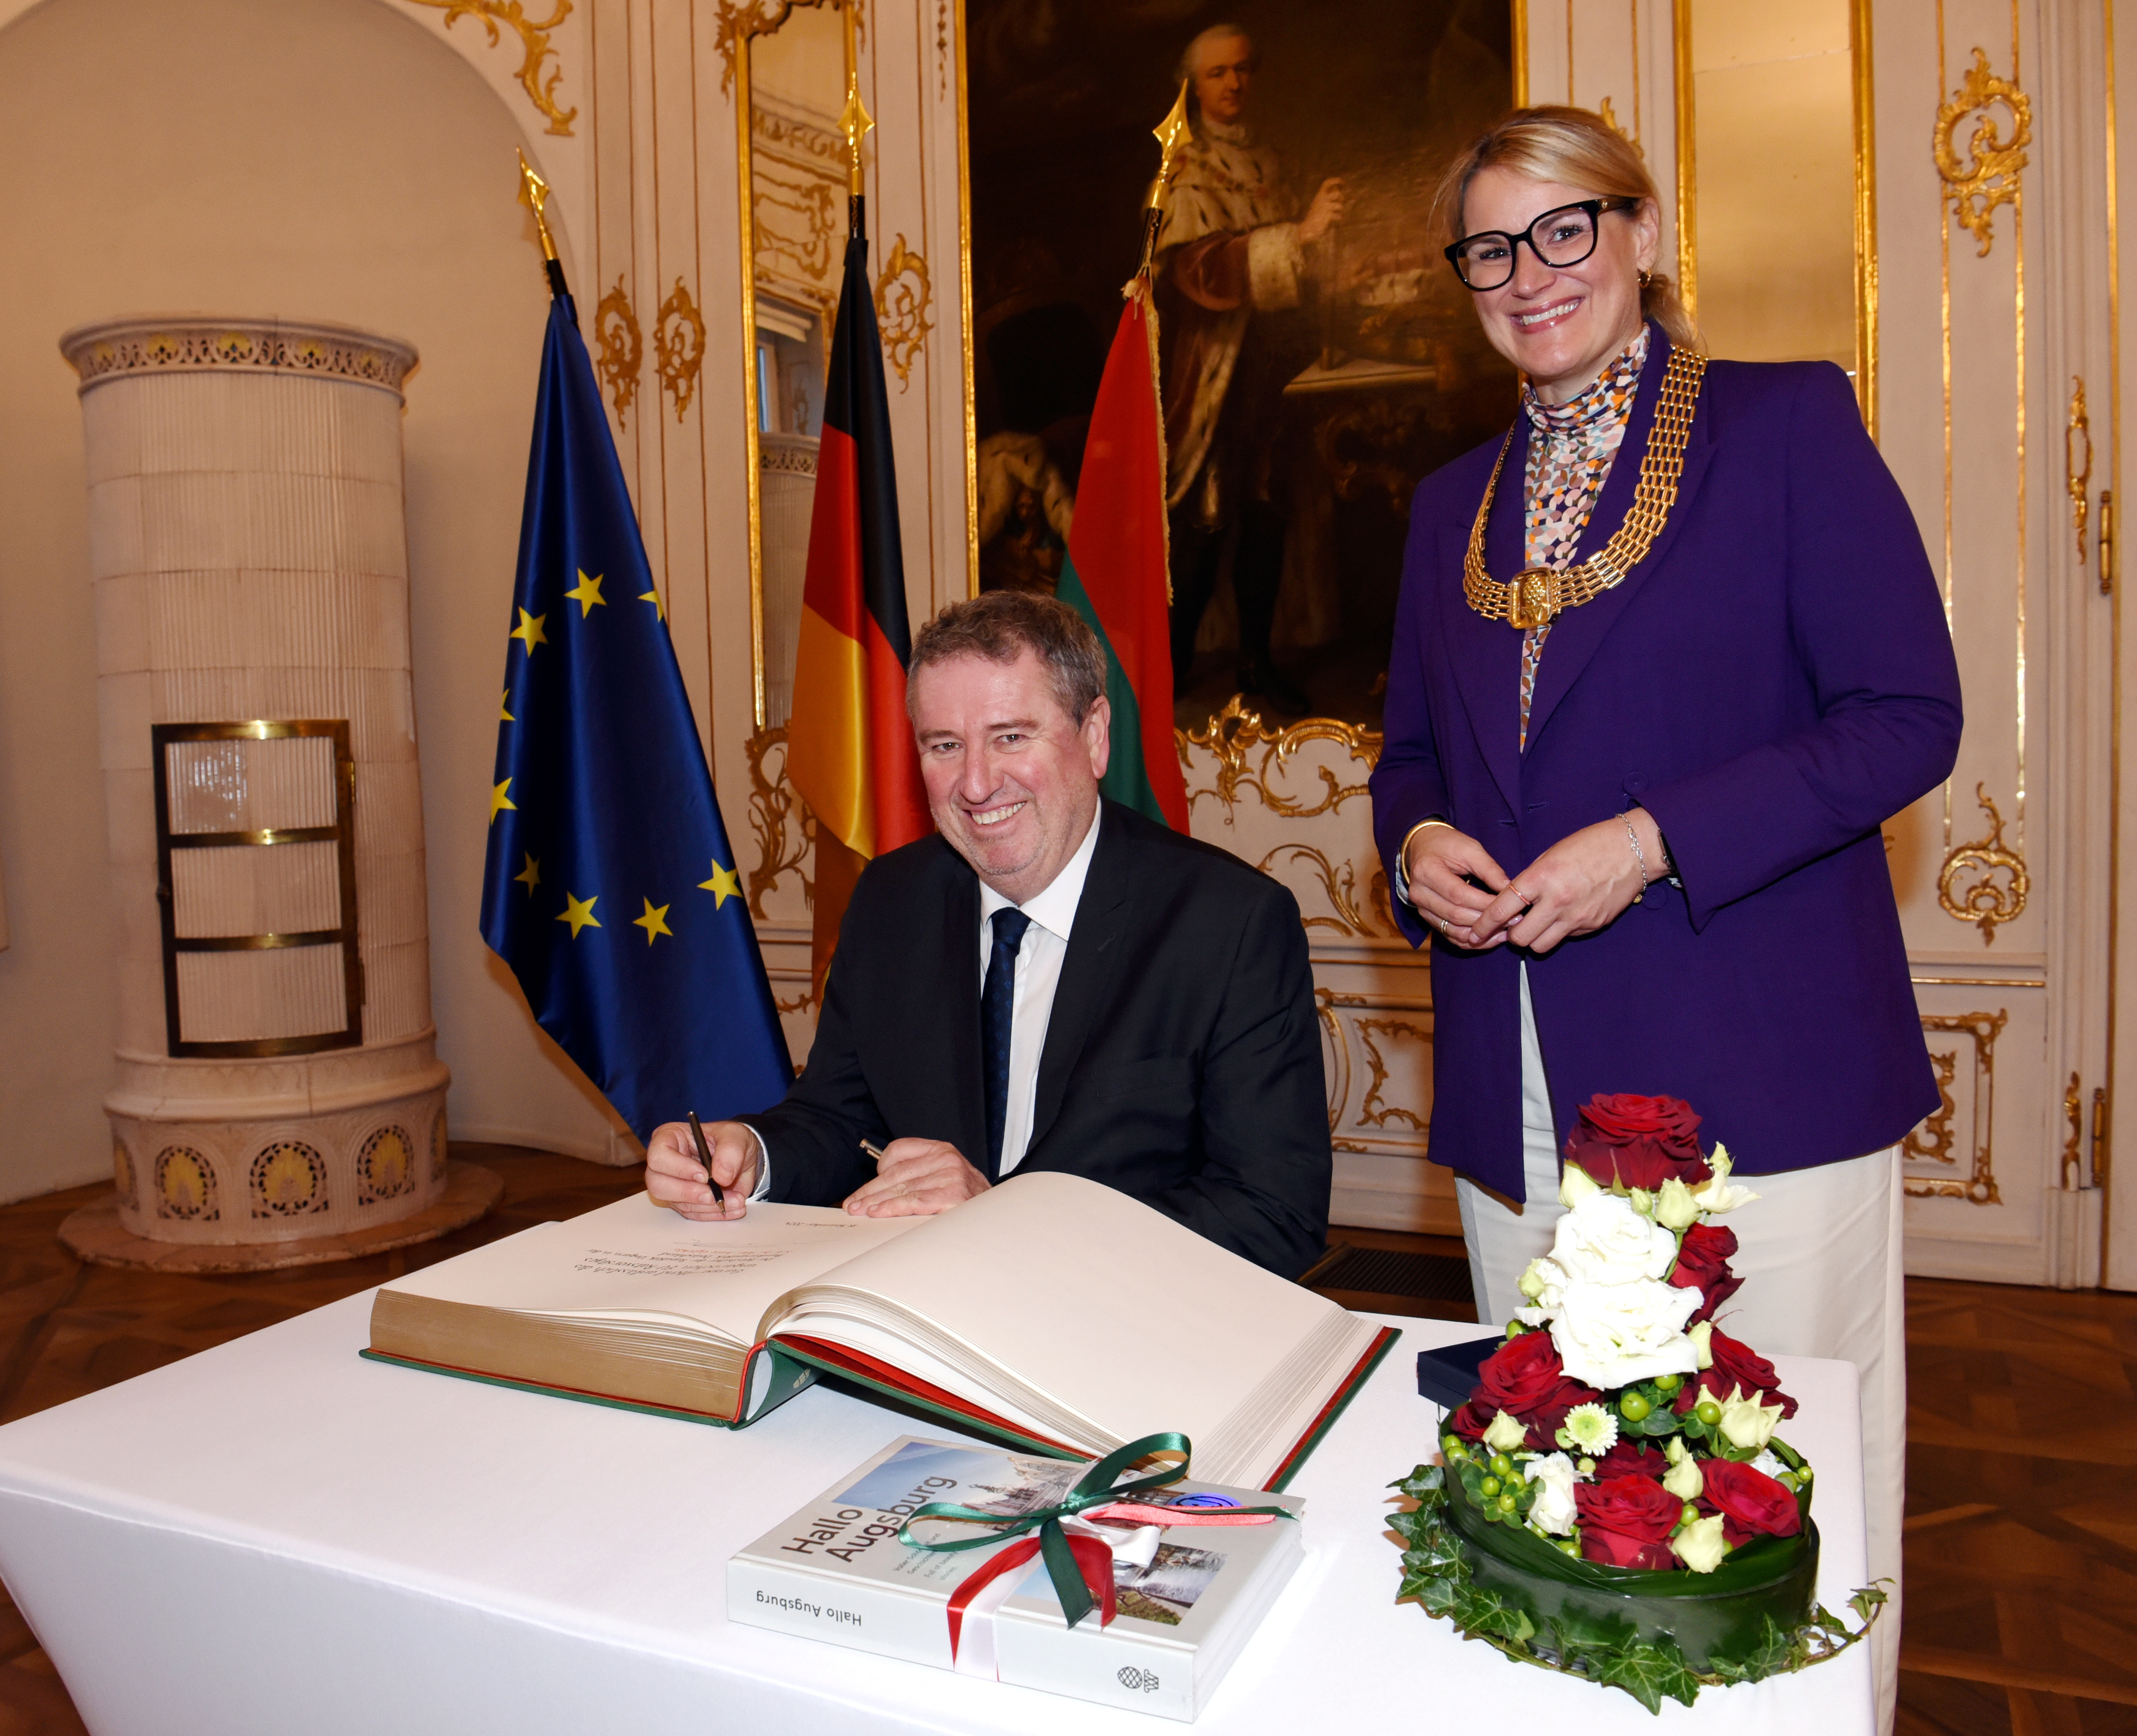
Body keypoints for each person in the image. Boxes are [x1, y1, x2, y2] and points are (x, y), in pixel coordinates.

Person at [1367, 107, 1958, 1722]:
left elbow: (1909, 715)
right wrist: (1414, 835)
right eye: (1491, 246)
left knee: (1768, 1496)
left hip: (1750, 1069)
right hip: (1523, 1077)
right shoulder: (1445, 506)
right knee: (1560, 1494)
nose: (1528, 272)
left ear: (1639, 235)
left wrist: (1651, 838)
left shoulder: (1781, 427)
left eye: (1565, 228)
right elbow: (1413, 753)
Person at [644, 590, 1331, 1279]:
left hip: (1127, 1338)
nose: (975, 784)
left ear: (1094, 737)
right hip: (921, 1319)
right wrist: (748, 1154)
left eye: (1010, 737)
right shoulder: (892, 901)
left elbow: (1273, 1215)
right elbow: (840, 1121)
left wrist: (1004, 1219)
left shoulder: (1230, 923)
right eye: (945, 746)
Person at [1157, 22, 1343, 717]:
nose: (1233, 84)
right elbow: (1198, 272)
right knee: (1205, 520)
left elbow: (1300, 265)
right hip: (1214, 374)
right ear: (1194, 86)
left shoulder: (1271, 160)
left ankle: (1256, 661)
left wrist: (1320, 242)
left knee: (1266, 514)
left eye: (1243, 70)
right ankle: (1170, 673)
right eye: (1217, 74)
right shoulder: (1187, 170)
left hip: (1274, 366)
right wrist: (1297, 236)